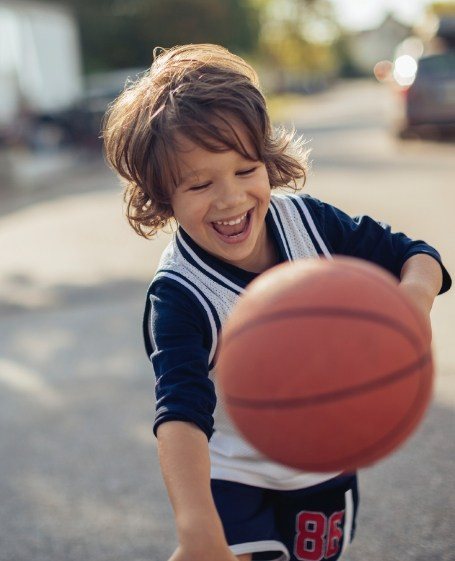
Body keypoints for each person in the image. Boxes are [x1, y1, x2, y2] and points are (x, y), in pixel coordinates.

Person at [102, 44, 451, 561]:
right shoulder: (180, 295)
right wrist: (197, 526)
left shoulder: (308, 221)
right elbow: (180, 413)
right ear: (162, 197)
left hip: (322, 459)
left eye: (246, 171)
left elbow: (419, 257)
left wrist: (410, 307)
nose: (230, 198)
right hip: (234, 473)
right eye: (199, 183)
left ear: (267, 162)